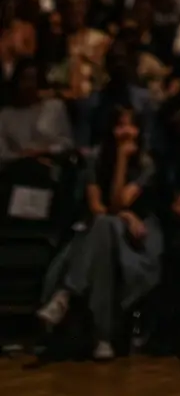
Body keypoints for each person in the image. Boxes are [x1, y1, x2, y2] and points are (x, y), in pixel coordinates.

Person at [38, 107, 162, 361]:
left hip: (138, 239)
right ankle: (103, 338)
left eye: (131, 126)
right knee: (104, 232)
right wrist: (123, 215)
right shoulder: (94, 159)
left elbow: (119, 202)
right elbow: (98, 207)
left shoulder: (146, 165)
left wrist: (123, 160)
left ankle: (66, 294)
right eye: (120, 125)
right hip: (100, 232)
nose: (126, 132)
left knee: (106, 228)